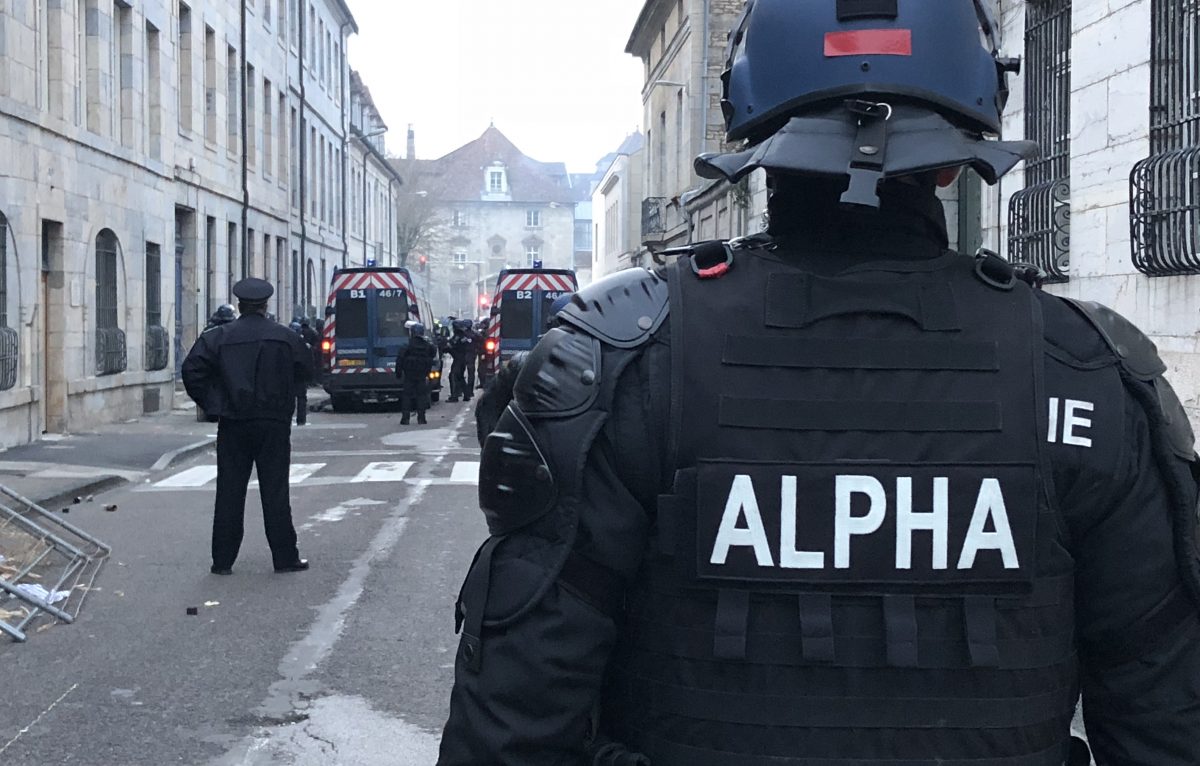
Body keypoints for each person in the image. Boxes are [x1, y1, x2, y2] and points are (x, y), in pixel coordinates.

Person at [439, 3, 1200, 765]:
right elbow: (1166, 720)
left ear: (755, 135)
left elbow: (514, 724)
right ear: (952, 157)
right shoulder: (1091, 372)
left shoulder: (628, 361)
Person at [182, 278, 313, 577]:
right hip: (273, 421)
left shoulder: (219, 337)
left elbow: (192, 370)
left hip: (234, 421)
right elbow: (307, 369)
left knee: (229, 491)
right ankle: (284, 556)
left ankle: (223, 560)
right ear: (266, 306)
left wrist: (214, 403)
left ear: (239, 305)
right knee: (276, 490)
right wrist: (285, 392)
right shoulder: (285, 337)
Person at [395, 322, 436, 426]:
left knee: (407, 397)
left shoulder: (407, 346)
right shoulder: (427, 346)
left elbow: (400, 360)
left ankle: (405, 419)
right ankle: (421, 419)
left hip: (409, 375)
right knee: (421, 396)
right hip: (422, 375)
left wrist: (398, 373)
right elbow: (433, 355)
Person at [446, 320, 474, 403]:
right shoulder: (464, 336)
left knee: (453, 375)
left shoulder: (458, 336)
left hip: (459, 359)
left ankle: (454, 396)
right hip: (462, 359)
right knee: (460, 377)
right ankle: (466, 394)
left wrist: (446, 346)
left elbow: (451, 345)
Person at [289, 320, 310, 426]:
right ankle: (301, 420)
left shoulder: (285, 341)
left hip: (288, 375)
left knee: (289, 398)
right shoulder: (303, 343)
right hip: (300, 375)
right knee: (301, 398)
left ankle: (288, 418)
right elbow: (308, 360)